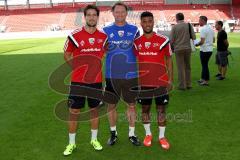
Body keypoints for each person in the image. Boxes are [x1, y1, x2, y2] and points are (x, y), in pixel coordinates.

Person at [62, 5, 108, 155]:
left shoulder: (103, 37)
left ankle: (94, 140)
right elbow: (67, 54)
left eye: (94, 15)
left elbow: (106, 54)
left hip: (95, 81)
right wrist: (77, 69)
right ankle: (71, 144)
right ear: (85, 17)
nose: (91, 17)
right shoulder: (75, 35)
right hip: (78, 82)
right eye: (89, 15)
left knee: (94, 110)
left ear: (97, 17)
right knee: (74, 111)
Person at [102, 2, 141, 146]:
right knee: (111, 105)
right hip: (112, 75)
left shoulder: (134, 29)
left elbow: (139, 51)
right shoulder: (105, 30)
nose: (119, 14)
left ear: (126, 13)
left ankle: (132, 134)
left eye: (122, 12)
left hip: (131, 75)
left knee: (131, 105)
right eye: (117, 12)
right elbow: (101, 50)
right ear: (112, 13)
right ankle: (113, 134)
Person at [134, 11, 173, 149]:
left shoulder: (163, 40)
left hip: (161, 83)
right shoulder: (136, 42)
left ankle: (162, 137)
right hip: (143, 83)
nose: (147, 24)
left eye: (149, 21)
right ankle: (148, 134)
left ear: (153, 22)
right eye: (144, 21)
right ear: (141, 23)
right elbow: (133, 62)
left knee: (161, 110)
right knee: (145, 109)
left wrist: (170, 80)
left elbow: (169, 59)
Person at [170, 13, 196, 90]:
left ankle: (182, 85)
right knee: (188, 67)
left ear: (177, 18)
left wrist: (172, 48)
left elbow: (171, 40)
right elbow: (193, 37)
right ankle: (189, 84)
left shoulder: (174, 27)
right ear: (183, 18)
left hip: (178, 49)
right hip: (188, 48)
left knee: (180, 68)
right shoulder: (188, 25)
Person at [195, 16, 215, 86]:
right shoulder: (211, 28)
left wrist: (197, 44)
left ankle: (205, 80)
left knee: (204, 65)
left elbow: (202, 41)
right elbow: (214, 40)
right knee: (204, 65)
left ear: (203, 21)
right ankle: (202, 79)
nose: (199, 22)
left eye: (199, 20)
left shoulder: (203, 29)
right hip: (210, 49)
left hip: (204, 50)